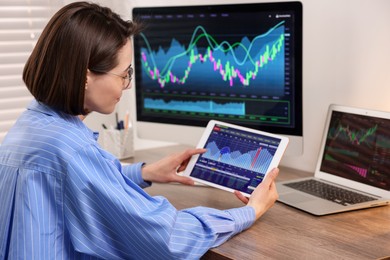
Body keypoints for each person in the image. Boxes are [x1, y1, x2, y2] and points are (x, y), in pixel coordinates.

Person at [0, 2, 279, 259]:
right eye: (124, 74)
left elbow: (73, 185)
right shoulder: (73, 149)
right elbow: (165, 239)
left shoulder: (31, 126)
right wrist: (249, 211)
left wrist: (145, 173)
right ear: (86, 75)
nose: (127, 85)